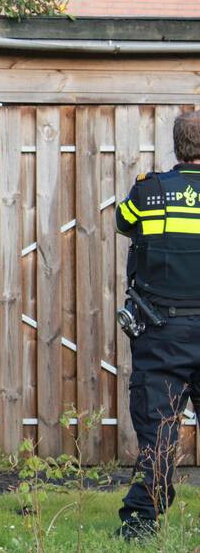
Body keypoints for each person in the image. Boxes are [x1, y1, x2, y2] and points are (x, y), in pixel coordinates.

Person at [115, 110, 200, 541]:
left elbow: (122, 222)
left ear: (177, 145)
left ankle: (142, 521)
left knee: (159, 427)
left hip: (162, 332)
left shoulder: (150, 193)